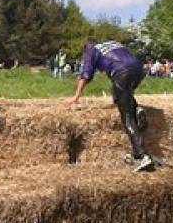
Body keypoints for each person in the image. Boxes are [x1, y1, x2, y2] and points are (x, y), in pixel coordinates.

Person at [66, 38, 154, 172]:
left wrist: (76, 97)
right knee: (121, 96)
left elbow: (86, 75)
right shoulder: (113, 43)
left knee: (127, 117)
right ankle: (136, 108)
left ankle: (142, 156)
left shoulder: (91, 49)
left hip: (121, 72)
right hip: (139, 69)